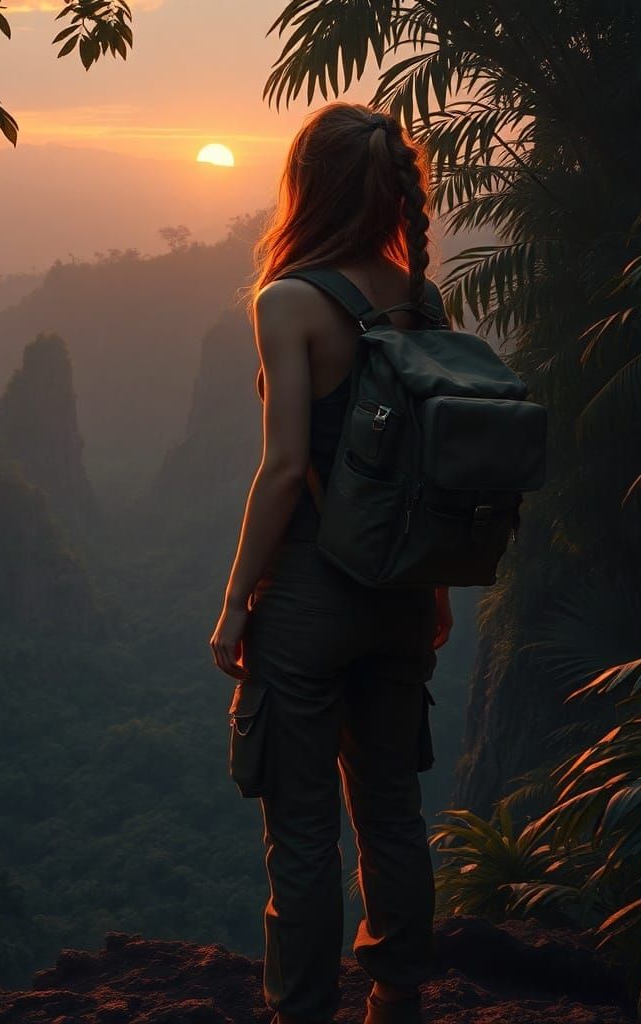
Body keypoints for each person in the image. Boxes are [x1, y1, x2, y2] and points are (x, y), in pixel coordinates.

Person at [209, 101, 454, 1024]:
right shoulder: (420, 297)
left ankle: (301, 1010)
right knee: (391, 809)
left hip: (311, 596)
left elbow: (280, 471)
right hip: (399, 593)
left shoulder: (290, 300)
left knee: (303, 831)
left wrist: (237, 603)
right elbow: (427, 463)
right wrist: (433, 588)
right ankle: (396, 999)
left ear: (305, 185)